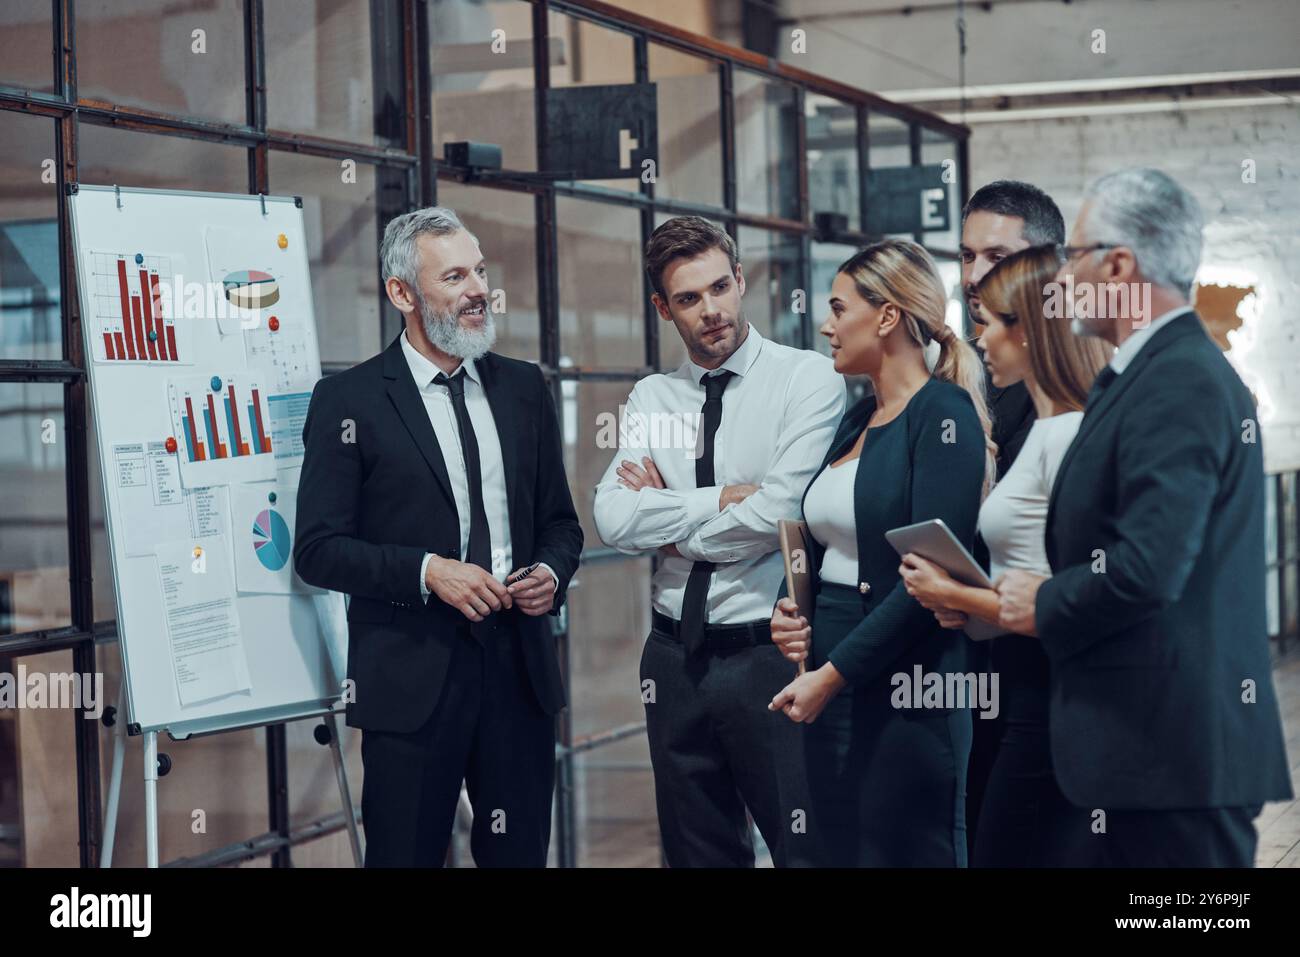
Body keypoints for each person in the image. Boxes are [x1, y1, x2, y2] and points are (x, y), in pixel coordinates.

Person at [995, 168, 1293, 866]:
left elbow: (1148, 568)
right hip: (1141, 751)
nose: (1059, 277)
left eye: (1073, 256)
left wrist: (1043, 599)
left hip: (1172, 758)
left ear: (1119, 264)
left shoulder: (1180, 377)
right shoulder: (1141, 373)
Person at [294, 206, 583, 867]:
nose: (479, 288)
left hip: (519, 673)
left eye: (480, 271)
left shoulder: (524, 389)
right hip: (410, 680)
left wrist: (551, 569)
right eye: (454, 275)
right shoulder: (349, 402)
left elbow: (562, 524)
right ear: (403, 294)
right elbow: (317, 548)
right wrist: (429, 571)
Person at [593, 216, 845, 867]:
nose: (710, 311)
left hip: (768, 654)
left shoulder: (805, 379)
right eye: (687, 299)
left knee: (804, 850)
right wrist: (720, 499)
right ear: (662, 307)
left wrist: (671, 526)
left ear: (739, 279)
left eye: (719, 288)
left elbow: (779, 512)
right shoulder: (654, 397)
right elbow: (614, 520)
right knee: (696, 853)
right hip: (674, 658)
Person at [768, 238, 994, 866]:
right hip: (831, 674)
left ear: (887, 317)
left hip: (905, 686)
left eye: (840, 309)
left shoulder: (943, 414)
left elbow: (929, 582)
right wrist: (789, 610)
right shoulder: (859, 416)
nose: (826, 325)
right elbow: (825, 544)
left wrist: (831, 677)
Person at [897, 244, 1110, 866]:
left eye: (988, 322)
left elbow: (1069, 593)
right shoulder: (1045, 427)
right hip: (1022, 687)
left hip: (1055, 696)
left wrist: (954, 595)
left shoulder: (1070, 431)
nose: (978, 338)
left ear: (1032, 329)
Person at [958, 180, 1066, 855]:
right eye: (965, 256)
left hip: (1048, 680)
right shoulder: (976, 381)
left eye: (993, 256)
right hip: (977, 672)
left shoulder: (1066, 407)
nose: (973, 277)